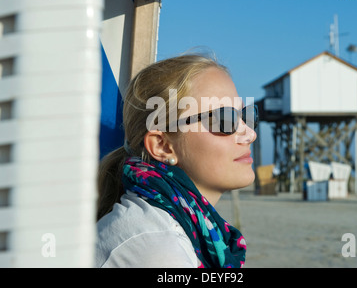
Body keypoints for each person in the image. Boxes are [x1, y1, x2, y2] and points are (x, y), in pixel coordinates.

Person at [95, 53, 258, 268]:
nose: (250, 134)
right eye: (225, 119)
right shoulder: (154, 247)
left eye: (246, 116)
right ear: (162, 146)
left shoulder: (178, 228)